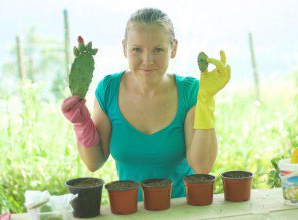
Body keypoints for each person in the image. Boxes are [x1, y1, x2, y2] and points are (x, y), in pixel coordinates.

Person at [61, 7, 231, 201]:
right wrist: (82, 124)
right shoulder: (108, 89)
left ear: (173, 48)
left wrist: (206, 100)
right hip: (128, 210)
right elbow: (93, 162)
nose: (147, 60)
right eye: (137, 49)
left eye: (158, 49)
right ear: (124, 47)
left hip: (182, 209)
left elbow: (202, 165)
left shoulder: (190, 91)